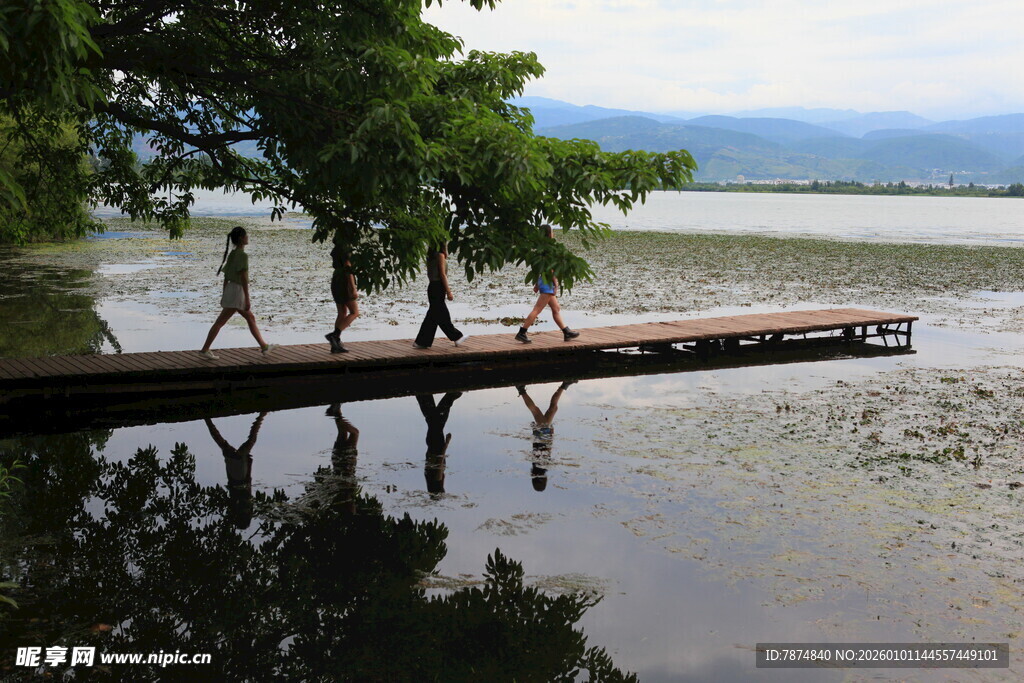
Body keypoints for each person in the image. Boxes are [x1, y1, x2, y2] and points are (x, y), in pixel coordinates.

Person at [200, 226, 276, 359]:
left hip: (231, 289)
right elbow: (243, 279)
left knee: (249, 318)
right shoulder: (242, 256)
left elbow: (226, 276)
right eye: (246, 235)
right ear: (241, 238)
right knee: (222, 322)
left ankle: (264, 347)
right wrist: (247, 298)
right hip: (237, 291)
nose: (248, 237)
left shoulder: (233, 254)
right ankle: (205, 350)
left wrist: (225, 293)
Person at [514, 224, 580, 344]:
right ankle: (522, 333)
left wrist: (537, 283)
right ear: (549, 234)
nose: (553, 234)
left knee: (556, 308)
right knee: (537, 309)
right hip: (548, 281)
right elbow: (550, 269)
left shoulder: (540, 249)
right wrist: (556, 284)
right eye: (552, 232)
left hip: (543, 280)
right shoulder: (549, 249)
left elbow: (538, 268)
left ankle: (566, 332)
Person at [205, 412, 267, 529]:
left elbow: (245, 488)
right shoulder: (237, 506)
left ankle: (261, 416)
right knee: (223, 441)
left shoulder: (241, 506)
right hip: (235, 471)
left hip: (239, 473)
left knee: (250, 440)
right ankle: (207, 419)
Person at [516, 381, 575, 491]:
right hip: (542, 435)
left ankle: (521, 390)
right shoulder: (537, 466)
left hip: (542, 435)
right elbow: (543, 449)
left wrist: (549, 435)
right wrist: (547, 434)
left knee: (536, 410)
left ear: (543, 480)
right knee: (553, 408)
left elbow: (545, 449)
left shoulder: (541, 466)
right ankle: (564, 385)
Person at [413, 242, 469, 349]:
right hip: (438, 287)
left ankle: (421, 342)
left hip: (432, 286)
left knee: (432, 316)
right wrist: (448, 291)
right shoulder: (440, 255)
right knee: (443, 315)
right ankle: (456, 337)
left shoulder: (430, 256)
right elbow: (442, 275)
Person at [416, 392, 462, 496]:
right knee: (433, 419)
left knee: (437, 419)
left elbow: (440, 459)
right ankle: (424, 395)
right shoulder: (428, 476)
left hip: (437, 444)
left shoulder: (437, 479)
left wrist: (447, 443)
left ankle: (450, 395)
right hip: (431, 443)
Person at [325, 235, 359, 353]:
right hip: (344, 281)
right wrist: (353, 287)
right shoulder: (346, 249)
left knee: (342, 313)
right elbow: (348, 268)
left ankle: (335, 344)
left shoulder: (336, 250)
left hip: (336, 280)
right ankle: (335, 335)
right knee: (354, 312)